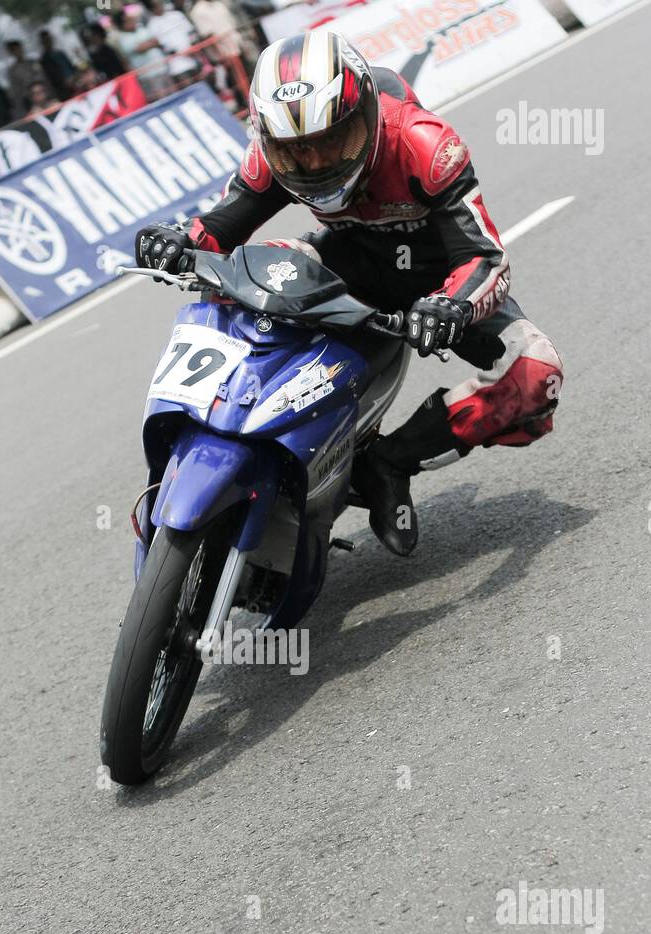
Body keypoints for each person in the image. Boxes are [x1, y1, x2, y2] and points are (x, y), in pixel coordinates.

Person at [134, 31, 564, 557]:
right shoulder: (271, 147)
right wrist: (178, 241)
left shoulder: (424, 144)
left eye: (332, 141)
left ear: (363, 115)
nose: (315, 163)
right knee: (242, 275)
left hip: (434, 282)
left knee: (536, 374)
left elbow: (484, 256)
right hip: (346, 259)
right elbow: (224, 222)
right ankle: (216, 432)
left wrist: (450, 306)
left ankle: (388, 463)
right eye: (296, 151)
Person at [146, 0, 199, 84]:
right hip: (177, 64)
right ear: (151, 9)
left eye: (160, 3)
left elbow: (190, 31)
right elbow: (160, 45)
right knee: (189, 84)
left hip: (194, 55)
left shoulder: (176, 14)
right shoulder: (152, 25)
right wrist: (179, 53)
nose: (160, 6)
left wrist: (193, 47)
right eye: (156, 6)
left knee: (204, 80)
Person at [5, 40, 44, 118]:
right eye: (15, 50)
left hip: (43, 96)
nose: (18, 52)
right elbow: (17, 92)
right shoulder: (13, 71)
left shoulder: (32, 63)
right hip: (28, 101)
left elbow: (43, 78)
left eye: (19, 49)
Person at [38, 29, 75, 102]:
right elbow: (51, 77)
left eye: (49, 39)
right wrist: (64, 81)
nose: (48, 42)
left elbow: (71, 66)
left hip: (74, 83)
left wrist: (74, 77)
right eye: (45, 40)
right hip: (63, 90)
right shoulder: (44, 59)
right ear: (42, 42)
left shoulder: (60, 53)